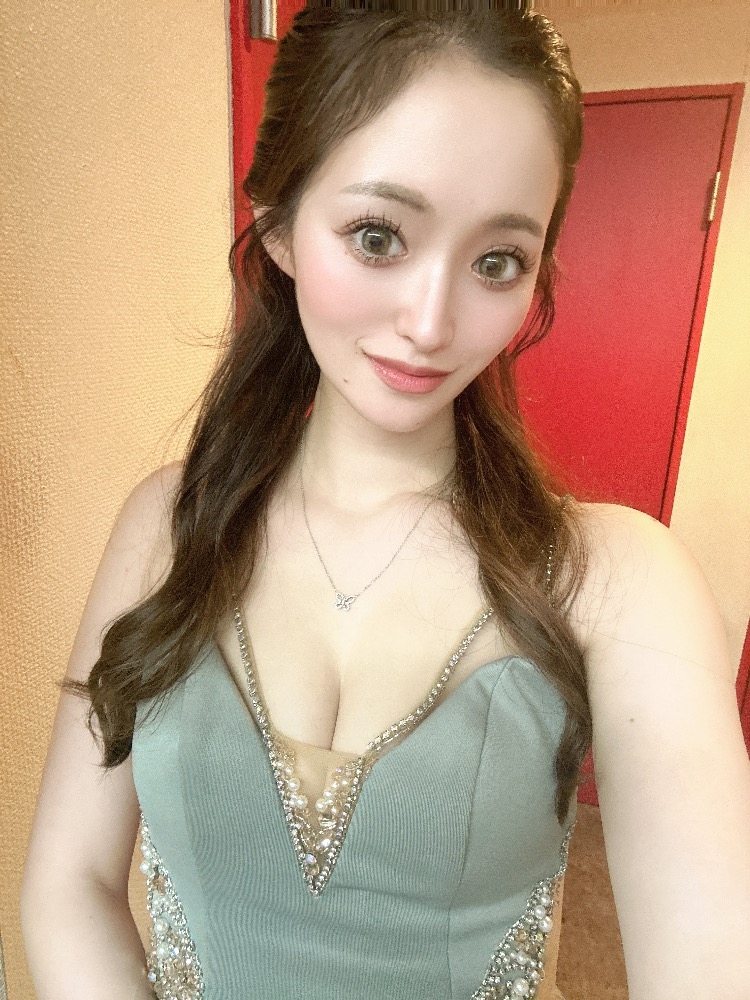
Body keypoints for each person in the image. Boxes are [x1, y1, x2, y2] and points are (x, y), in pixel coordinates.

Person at [21, 6, 750, 1000]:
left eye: (497, 261)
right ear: (279, 225)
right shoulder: (169, 526)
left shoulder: (619, 581)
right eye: (378, 236)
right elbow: (69, 883)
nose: (431, 321)